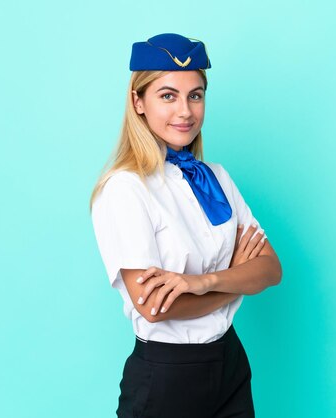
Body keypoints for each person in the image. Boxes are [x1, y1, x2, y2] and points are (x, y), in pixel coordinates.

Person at [90, 33, 282, 418]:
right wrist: (234, 278)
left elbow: (270, 270)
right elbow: (156, 308)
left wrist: (203, 282)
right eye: (167, 95)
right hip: (167, 376)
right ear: (137, 102)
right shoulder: (125, 189)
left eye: (195, 95)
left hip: (229, 361)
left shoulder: (217, 177)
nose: (185, 111)